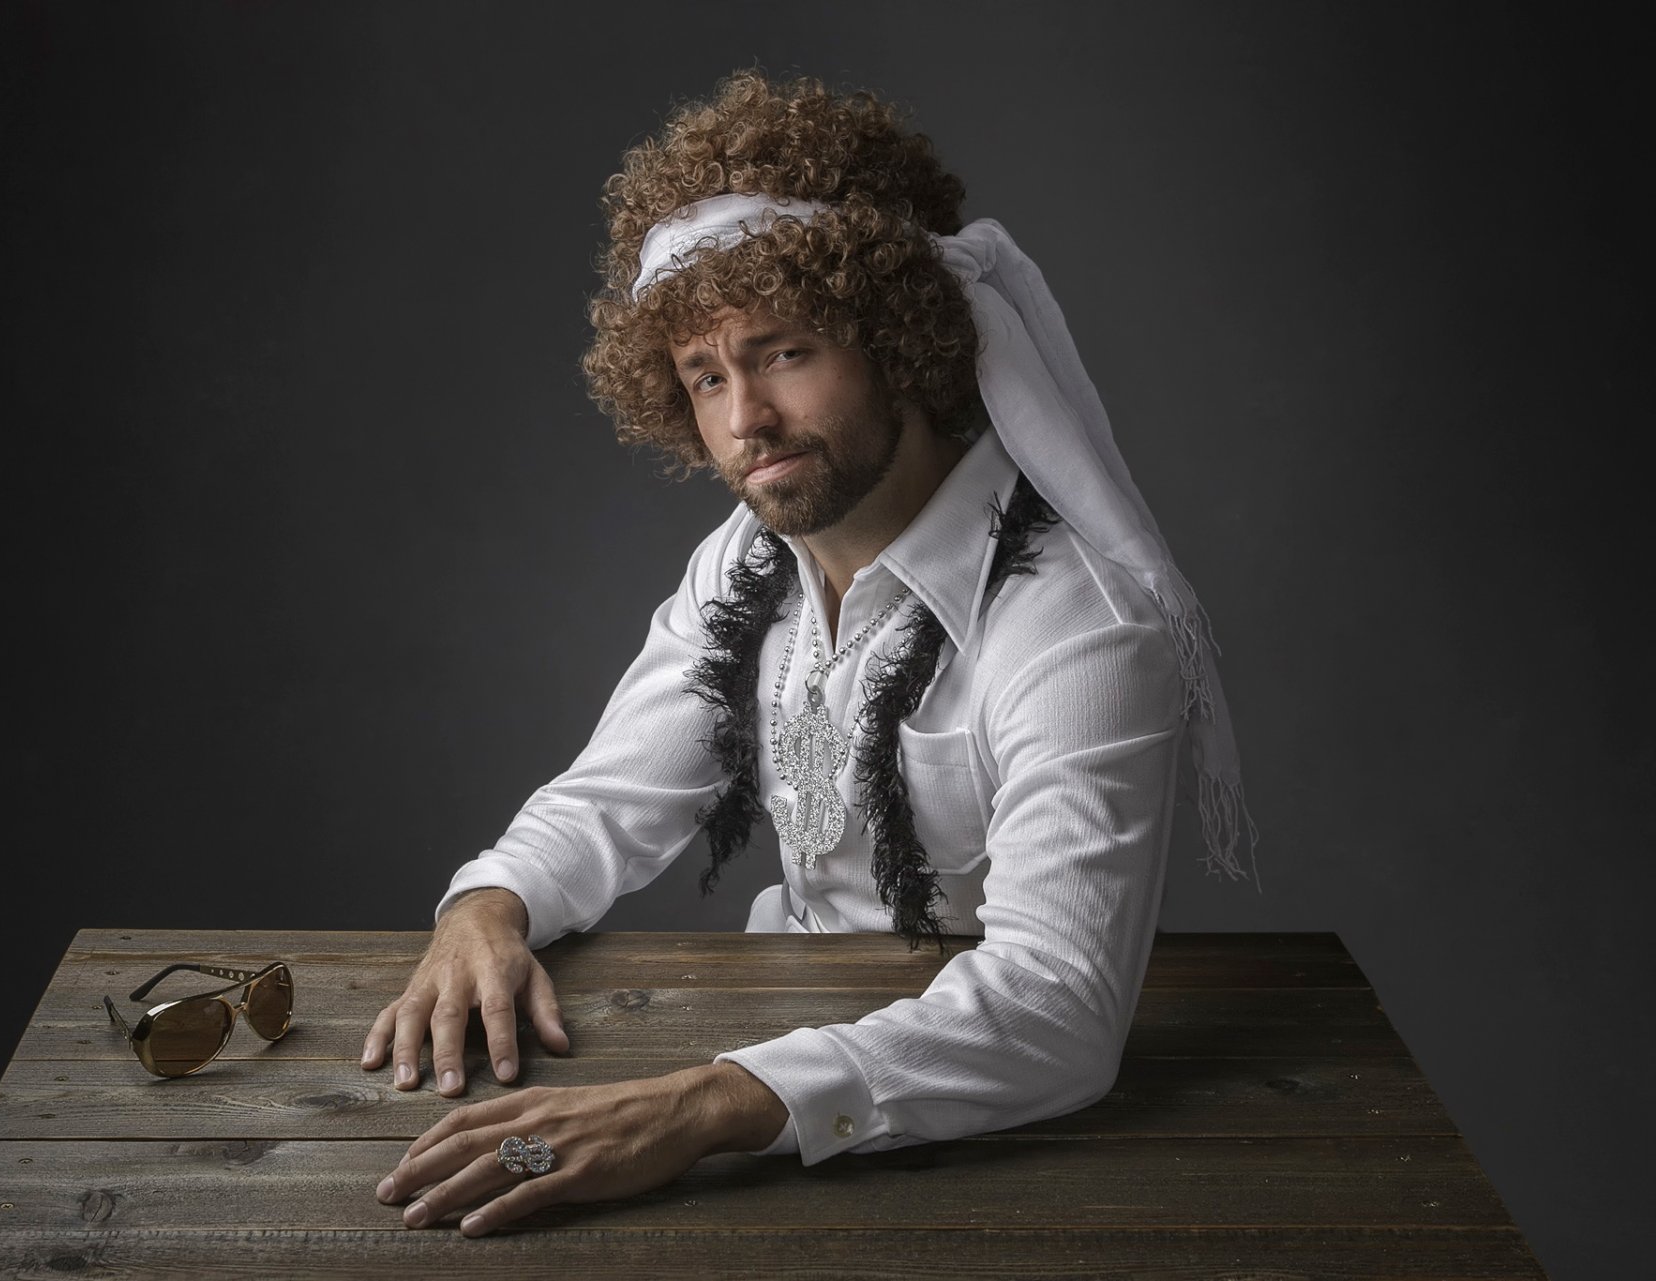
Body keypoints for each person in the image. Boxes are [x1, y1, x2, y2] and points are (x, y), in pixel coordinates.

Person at [362, 68, 1257, 1238]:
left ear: (901, 337)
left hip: (997, 1146)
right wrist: (486, 907)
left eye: (783, 353)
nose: (746, 424)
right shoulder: (742, 561)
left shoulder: (1078, 623)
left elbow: (1054, 1010)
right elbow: (613, 796)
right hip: (771, 1078)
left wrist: (692, 1111)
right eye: (705, 377)